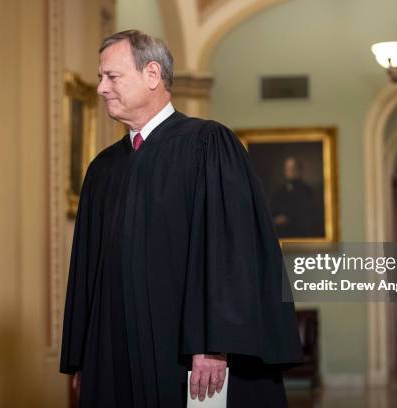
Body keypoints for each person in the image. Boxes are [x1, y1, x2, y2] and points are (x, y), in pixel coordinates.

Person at [59, 30, 303, 407]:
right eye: (100, 77)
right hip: (115, 354)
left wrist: (214, 343)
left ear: (152, 74)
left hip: (190, 356)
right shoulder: (103, 168)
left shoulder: (208, 145)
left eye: (112, 76)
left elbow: (232, 252)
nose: (101, 88)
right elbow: (87, 270)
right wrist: (81, 358)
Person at [271, 157, 323, 238]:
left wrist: (288, 218)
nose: (290, 172)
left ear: (299, 171)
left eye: (293, 169)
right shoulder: (279, 191)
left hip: (300, 233)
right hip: (281, 234)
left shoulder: (307, 190)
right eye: (287, 169)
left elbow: (309, 215)